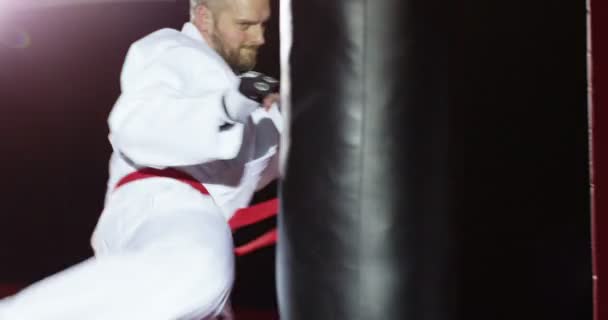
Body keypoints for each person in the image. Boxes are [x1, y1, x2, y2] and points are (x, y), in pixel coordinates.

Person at [0, 0, 281, 319]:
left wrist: (282, 116)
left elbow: (259, 166)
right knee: (192, 268)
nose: (259, 38)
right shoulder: (175, 51)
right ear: (205, 18)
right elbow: (135, 124)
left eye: (263, 25)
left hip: (181, 223)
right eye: (245, 25)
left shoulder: (243, 96)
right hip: (164, 203)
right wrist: (228, 108)